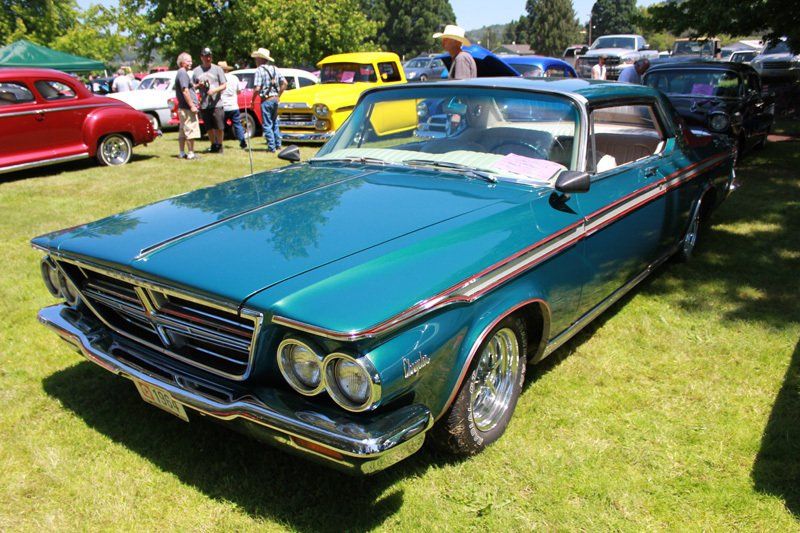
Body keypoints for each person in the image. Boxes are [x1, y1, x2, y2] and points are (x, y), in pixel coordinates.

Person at [251, 48, 287, 153]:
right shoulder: (275, 69)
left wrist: (253, 100)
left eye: (257, 58)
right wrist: (278, 94)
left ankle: (271, 147)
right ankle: (278, 144)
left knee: (267, 124)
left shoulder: (259, 70)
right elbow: (284, 83)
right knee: (275, 122)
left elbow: (257, 88)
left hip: (266, 100)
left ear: (260, 59)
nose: (256, 60)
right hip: (275, 99)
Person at [193, 47, 227, 153]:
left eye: (209, 56)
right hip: (204, 103)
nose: (208, 58)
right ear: (201, 57)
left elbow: (224, 85)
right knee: (209, 127)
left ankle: (220, 145)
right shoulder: (196, 71)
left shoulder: (218, 69)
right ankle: (213, 145)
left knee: (219, 126)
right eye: (206, 56)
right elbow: (192, 86)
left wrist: (214, 90)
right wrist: (199, 85)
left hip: (217, 103)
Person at [175, 52, 200, 160]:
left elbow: (187, 87)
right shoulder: (183, 73)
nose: (191, 63)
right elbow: (185, 91)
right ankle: (191, 153)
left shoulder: (181, 73)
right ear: (182, 62)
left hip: (182, 107)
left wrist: (197, 85)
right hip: (187, 108)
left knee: (182, 130)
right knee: (190, 130)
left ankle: (181, 152)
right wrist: (192, 106)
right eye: (188, 61)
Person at [219, 61, 247, 149]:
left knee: (221, 126)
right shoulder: (234, 78)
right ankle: (242, 141)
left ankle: (219, 142)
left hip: (223, 105)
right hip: (233, 105)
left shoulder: (219, 78)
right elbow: (239, 91)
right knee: (237, 124)